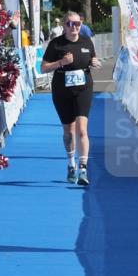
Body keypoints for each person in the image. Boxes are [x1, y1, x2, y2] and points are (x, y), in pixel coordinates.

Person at [41, 11, 101, 186]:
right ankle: (71, 163)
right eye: (70, 24)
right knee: (68, 130)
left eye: (77, 23)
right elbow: (43, 68)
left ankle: (83, 168)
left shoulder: (86, 41)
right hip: (62, 89)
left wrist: (94, 62)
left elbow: (93, 58)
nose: (74, 26)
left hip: (83, 87)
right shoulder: (56, 44)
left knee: (82, 129)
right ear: (64, 26)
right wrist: (61, 63)